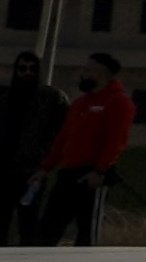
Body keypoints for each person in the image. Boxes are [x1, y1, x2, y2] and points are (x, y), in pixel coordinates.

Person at [32, 51, 137, 247]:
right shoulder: (80, 103)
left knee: (87, 231)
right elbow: (63, 138)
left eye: (88, 70)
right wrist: (45, 168)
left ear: (101, 74)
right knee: (48, 228)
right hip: (68, 173)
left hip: (92, 175)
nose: (83, 74)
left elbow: (116, 141)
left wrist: (100, 170)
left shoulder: (119, 102)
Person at [0, 49, 63, 248]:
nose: (27, 73)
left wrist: (44, 164)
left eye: (32, 69)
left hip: (30, 173)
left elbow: (61, 133)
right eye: (22, 68)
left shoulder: (51, 98)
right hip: (0, 171)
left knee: (29, 226)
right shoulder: (7, 98)